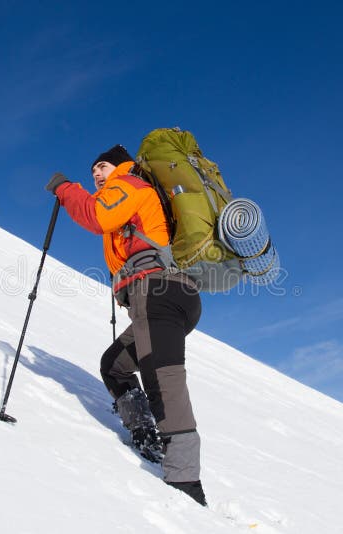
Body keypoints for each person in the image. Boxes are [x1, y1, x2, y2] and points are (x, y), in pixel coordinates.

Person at [45, 145, 207, 506]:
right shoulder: (132, 191)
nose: (97, 176)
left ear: (119, 166)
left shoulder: (128, 184)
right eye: (92, 173)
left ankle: (186, 486)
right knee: (115, 367)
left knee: (163, 381)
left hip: (157, 292)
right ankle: (146, 434)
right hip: (167, 296)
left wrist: (65, 188)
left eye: (101, 167)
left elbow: (94, 215)